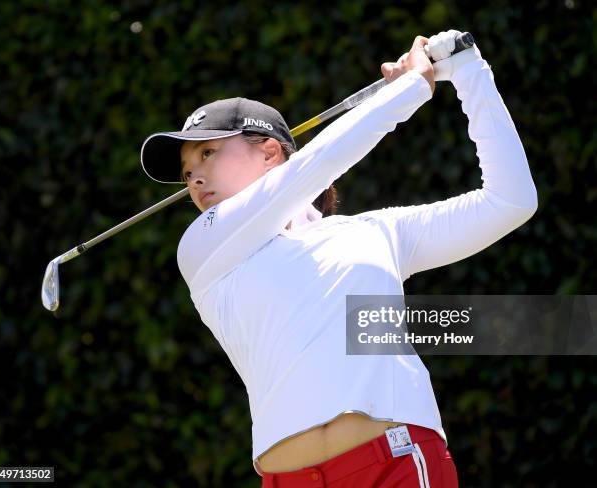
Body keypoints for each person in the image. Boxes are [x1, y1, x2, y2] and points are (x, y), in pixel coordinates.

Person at [140, 31, 537, 488]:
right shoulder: (201, 249)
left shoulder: (375, 233)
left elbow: (509, 201)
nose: (196, 178)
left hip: (397, 462)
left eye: (208, 153)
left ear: (270, 153)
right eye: (188, 171)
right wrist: (411, 88)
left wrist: (468, 72)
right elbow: (314, 167)